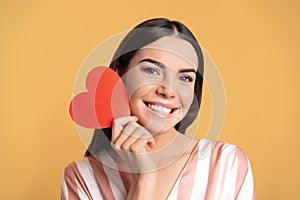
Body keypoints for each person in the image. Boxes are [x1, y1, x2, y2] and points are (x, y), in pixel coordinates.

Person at [61, 18, 255, 200]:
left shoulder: (228, 164)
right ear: (119, 73)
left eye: (185, 78)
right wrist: (143, 181)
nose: (168, 90)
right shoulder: (82, 178)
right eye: (151, 70)